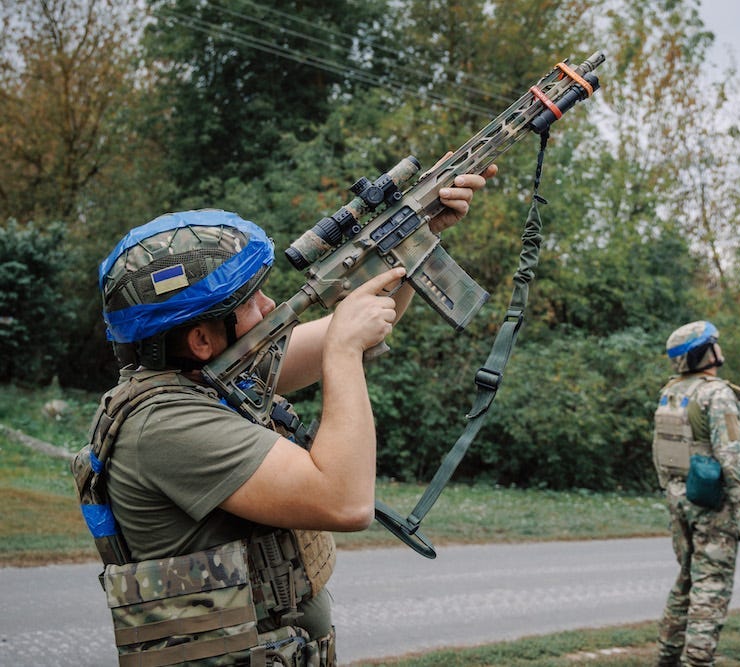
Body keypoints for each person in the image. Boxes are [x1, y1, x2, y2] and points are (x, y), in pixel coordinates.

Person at [71, 163, 496, 667]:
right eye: (251, 303)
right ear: (202, 340)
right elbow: (344, 503)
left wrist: (416, 235)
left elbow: (363, 324)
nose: (270, 306)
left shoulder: (208, 381)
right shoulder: (165, 424)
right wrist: (342, 352)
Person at [651, 320, 740, 667]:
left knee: (687, 578)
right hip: (709, 502)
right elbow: (731, 456)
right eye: (714, 344)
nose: (720, 350)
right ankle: (698, 661)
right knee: (711, 584)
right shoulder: (717, 394)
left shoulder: (672, 391)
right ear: (705, 352)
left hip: (677, 497)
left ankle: (667, 657)